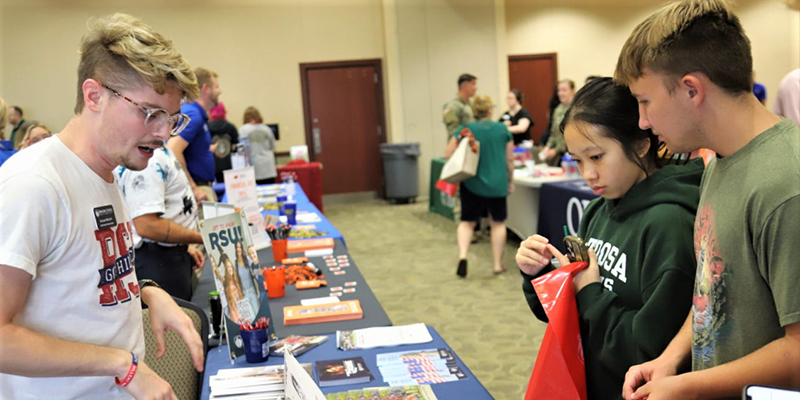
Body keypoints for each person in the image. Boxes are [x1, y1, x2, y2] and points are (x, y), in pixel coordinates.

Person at [0, 13, 203, 400]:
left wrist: (148, 292)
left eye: (171, 119)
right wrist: (121, 365)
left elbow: (82, 279)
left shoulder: (107, 172)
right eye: (149, 113)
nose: (162, 133)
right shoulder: (34, 184)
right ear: (94, 96)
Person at [615, 1, 800, 399]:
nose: (643, 121)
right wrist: (670, 359)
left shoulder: (788, 185)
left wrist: (689, 387)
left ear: (691, 89)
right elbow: (713, 291)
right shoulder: (719, 159)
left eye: (644, 101)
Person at [516, 77, 702, 400]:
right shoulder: (599, 210)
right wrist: (541, 275)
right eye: (578, 160)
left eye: (597, 157)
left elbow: (649, 352)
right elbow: (572, 320)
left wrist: (589, 292)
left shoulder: (669, 225)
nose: (588, 173)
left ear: (641, 144)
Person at [116, 146, 206, 301]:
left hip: (165, 252)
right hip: (157, 261)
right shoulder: (149, 160)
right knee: (175, 322)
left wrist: (183, 243)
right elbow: (147, 226)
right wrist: (201, 237)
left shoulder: (156, 150)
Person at [445, 95, 513, 277]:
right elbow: (510, 159)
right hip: (498, 183)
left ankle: (462, 255)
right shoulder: (502, 130)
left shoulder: (466, 129)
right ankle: (498, 264)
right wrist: (510, 181)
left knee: (467, 222)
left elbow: (448, 151)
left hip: (472, 183)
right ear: (490, 110)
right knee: (497, 223)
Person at [167, 67, 222, 203]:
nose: (220, 91)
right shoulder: (193, 114)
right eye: (217, 87)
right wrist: (194, 188)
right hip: (198, 189)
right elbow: (173, 149)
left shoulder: (194, 113)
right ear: (206, 89)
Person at [239, 106, 278, 185]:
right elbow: (273, 146)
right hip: (268, 167)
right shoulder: (266, 128)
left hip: (253, 168)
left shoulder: (243, 129)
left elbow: (241, 150)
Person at [541, 80, 576, 166]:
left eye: (564, 90)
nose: (560, 93)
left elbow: (573, 134)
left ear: (572, 91)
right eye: (559, 90)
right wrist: (547, 147)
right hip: (560, 155)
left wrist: (556, 150)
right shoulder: (558, 109)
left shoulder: (577, 108)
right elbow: (553, 132)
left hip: (573, 153)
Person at [208, 102, 239, 183]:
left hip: (213, 165)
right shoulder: (231, 127)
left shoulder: (207, 127)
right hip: (229, 164)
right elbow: (236, 145)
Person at [442, 73, 477, 139]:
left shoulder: (471, 105)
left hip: (470, 145)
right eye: (473, 84)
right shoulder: (452, 106)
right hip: (458, 146)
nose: (476, 88)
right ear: (465, 86)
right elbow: (453, 132)